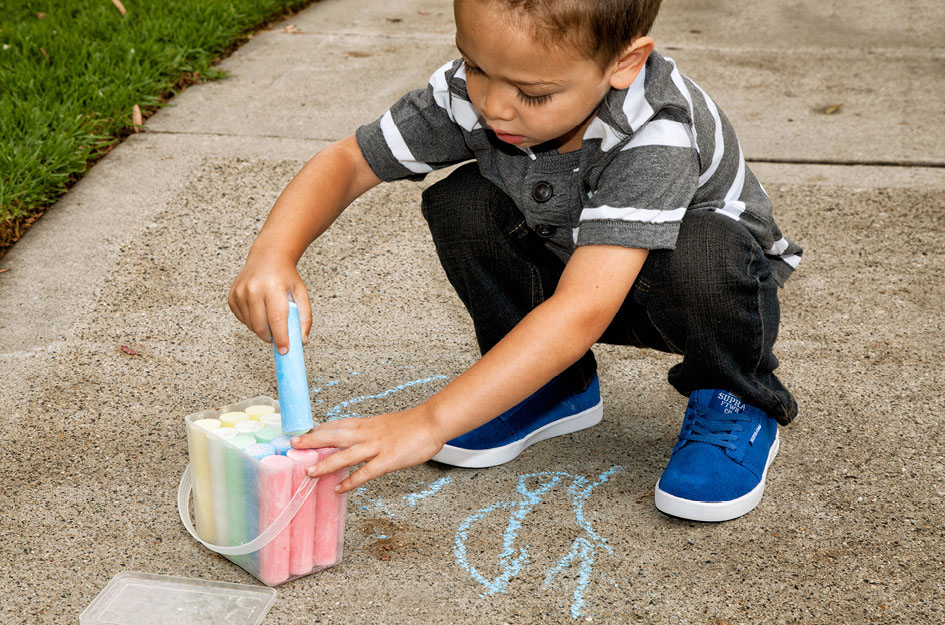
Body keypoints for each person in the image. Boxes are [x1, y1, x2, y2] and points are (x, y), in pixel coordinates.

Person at [228, 0, 802, 522]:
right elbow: (350, 161)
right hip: (575, 261)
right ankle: (549, 386)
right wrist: (273, 254)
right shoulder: (478, 90)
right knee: (464, 201)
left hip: (689, 288)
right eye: (474, 66)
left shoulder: (657, 130)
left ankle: (736, 396)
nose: (493, 104)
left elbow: (582, 310)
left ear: (624, 64)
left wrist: (427, 424)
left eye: (533, 94)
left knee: (707, 249)